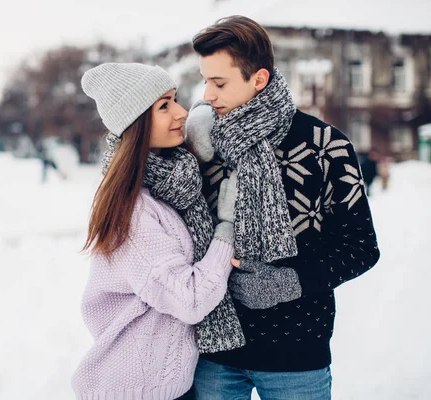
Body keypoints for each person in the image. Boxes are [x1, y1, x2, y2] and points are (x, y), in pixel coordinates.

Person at [184, 16, 381, 399]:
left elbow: (361, 248)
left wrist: (290, 281)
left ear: (258, 79)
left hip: (297, 353)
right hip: (214, 350)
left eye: (219, 83)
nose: (207, 94)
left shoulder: (325, 145)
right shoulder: (203, 146)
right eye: (205, 80)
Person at [71, 62, 240, 400]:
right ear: (136, 123)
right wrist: (225, 231)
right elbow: (189, 298)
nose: (181, 112)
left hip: (163, 384)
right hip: (136, 388)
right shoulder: (133, 210)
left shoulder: (166, 188)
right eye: (164, 106)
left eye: (176, 99)